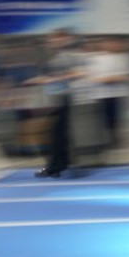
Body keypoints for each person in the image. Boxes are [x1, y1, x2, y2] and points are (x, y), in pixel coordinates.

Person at [25, 29, 83, 178]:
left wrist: (51, 80)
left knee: (58, 134)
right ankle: (59, 164)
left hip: (64, 98)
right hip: (53, 98)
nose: (53, 42)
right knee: (56, 134)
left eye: (58, 39)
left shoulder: (70, 56)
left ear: (67, 40)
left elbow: (78, 73)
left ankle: (56, 166)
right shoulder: (53, 57)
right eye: (52, 40)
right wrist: (39, 81)